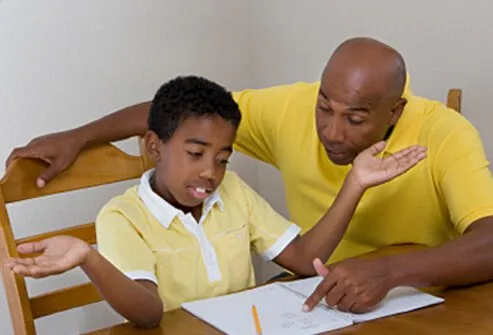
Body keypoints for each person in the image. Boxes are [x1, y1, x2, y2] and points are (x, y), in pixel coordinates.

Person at [7, 37, 493, 314]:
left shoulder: (444, 133)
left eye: (355, 118)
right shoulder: (286, 109)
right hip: (312, 295)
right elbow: (186, 116)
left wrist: (391, 270)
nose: (330, 130)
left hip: (407, 297)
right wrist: (78, 136)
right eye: (324, 106)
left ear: (395, 112)